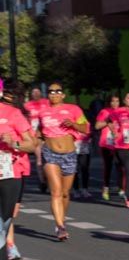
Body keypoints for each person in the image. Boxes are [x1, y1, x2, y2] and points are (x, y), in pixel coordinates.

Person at [28, 82, 89, 241]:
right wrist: (34, 142)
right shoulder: (43, 112)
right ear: (47, 94)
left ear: (63, 94)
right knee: (55, 191)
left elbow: (86, 128)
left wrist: (74, 124)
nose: (54, 93)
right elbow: (39, 132)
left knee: (64, 193)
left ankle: (62, 219)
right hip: (50, 153)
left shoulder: (74, 109)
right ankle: (60, 226)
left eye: (58, 91)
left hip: (69, 154)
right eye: (51, 91)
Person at [0, 78, 36, 260]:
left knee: (2, 227)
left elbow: (32, 143)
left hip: (8, 175)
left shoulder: (11, 113)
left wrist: (13, 142)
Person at [1, 81, 29, 260]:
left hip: (13, 169)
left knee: (8, 215)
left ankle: (9, 242)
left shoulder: (15, 113)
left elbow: (32, 143)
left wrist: (13, 144)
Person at [95, 94, 121, 200]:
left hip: (120, 142)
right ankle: (105, 188)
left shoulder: (122, 112)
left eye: (117, 101)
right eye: (113, 101)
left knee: (121, 166)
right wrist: (107, 121)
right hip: (107, 143)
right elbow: (97, 126)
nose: (115, 103)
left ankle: (122, 188)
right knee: (108, 166)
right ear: (109, 102)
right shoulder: (104, 111)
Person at [24, 86, 49, 193]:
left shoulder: (47, 102)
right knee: (39, 159)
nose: (35, 94)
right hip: (34, 135)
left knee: (48, 158)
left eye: (37, 91)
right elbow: (24, 119)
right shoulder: (27, 105)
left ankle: (48, 178)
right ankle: (42, 181)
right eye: (33, 92)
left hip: (47, 133)